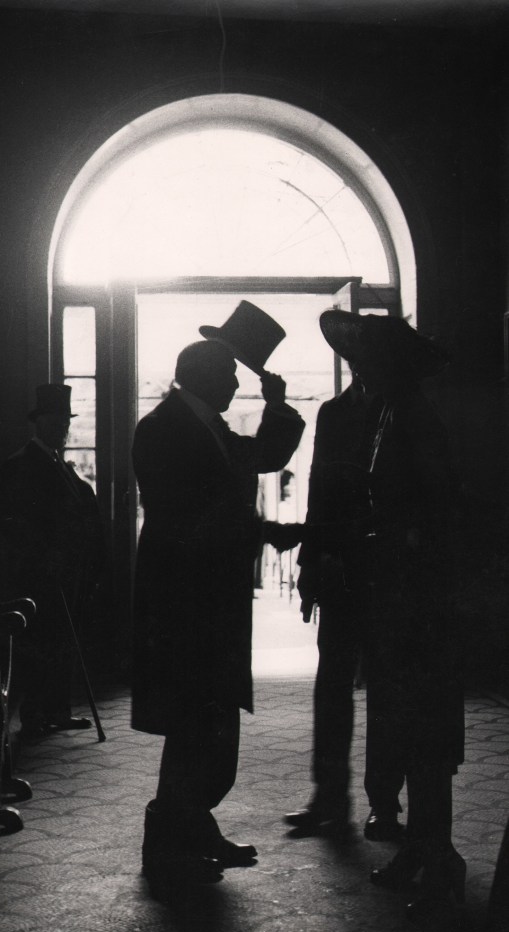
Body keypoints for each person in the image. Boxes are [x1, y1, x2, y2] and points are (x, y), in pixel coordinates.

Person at [131, 324, 305, 894]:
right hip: (187, 605)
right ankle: (171, 842)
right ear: (204, 375)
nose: (236, 383)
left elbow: (260, 456)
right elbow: (192, 516)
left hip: (204, 601)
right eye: (230, 374)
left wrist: (277, 406)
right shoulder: (163, 430)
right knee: (196, 722)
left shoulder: (201, 426)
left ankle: (189, 830)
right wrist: (261, 530)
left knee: (206, 724)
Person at [318, 309, 465, 920]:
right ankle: (426, 850)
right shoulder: (391, 414)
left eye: (369, 361)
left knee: (424, 731)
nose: (360, 368)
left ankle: (438, 854)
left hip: (417, 606)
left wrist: (392, 543)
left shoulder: (414, 420)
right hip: (398, 600)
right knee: (407, 727)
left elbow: (437, 512)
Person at [285, 371, 405, 840]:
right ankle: (330, 795)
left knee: (385, 689)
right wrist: (310, 563)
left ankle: (384, 802)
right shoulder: (333, 413)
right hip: (340, 566)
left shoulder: (396, 409)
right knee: (332, 683)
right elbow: (318, 488)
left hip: (386, 567)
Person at [0, 384, 105, 741]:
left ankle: (57, 711)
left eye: (64, 423)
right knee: (42, 644)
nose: (61, 428)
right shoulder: (22, 464)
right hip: (40, 573)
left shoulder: (59, 463)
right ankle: (34, 715)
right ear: (38, 423)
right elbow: (14, 524)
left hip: (66, 570)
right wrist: (45, 559)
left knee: (62, 642)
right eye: (54, 422)